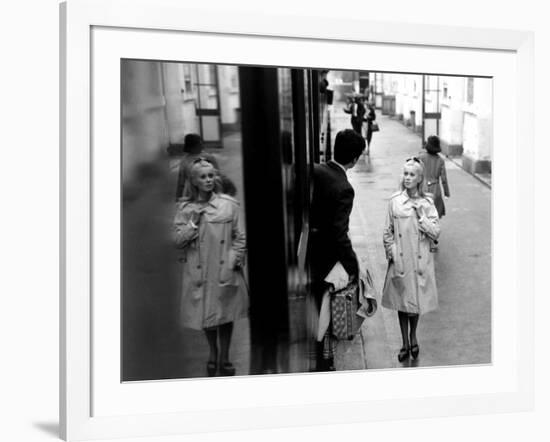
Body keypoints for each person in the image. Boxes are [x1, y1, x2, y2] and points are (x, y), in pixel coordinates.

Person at [173, 158, 247, 377]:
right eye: (203, 177)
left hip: (222, 267)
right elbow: (177, 241)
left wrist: (234, 260)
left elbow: (240, 236)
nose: (208, 180)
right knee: (206, 315)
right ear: (194, 181)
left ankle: (224, 356)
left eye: (211, 176)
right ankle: (212, 353)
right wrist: (192, 223)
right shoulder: (186, 209)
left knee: (226, 315)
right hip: (199, 270)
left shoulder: (228, 205)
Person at [307, 129, 371, 371]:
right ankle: (325, 359)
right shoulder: (344, 187)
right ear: (354, 159)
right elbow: (339, 234)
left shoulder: (316, 169)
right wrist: (353, 266)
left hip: (309, 253)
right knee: (327, 309)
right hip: (324, 259)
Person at [381, 158, 440, 363]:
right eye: (405, 173)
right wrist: (392, 252)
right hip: (401, 259)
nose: (407, 178)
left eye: (411, 174)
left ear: (420, 178)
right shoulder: (395, 201)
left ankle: (413, 335)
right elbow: (387, 232)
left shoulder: (427, 203)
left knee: (415, 304)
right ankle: (405, 342)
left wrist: (422, 218)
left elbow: (436, 232)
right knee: (402, 303)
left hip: (420, 260)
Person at [174, 133, 237, 200]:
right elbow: (181, 183)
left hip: (210, 193)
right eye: (199, 143)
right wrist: (178, 198)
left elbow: (218, 176)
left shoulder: (209, 157)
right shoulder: (185, 161)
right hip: (193, 194)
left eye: (201, 142)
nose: (202, 145)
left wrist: (222, 193)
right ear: (191, 146)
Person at [418, 135, 450, 252]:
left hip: (423, 189)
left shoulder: (420, 157)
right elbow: (444, 179)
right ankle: (433, 241)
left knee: (423, 215)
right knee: (434, 217)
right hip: (436, 190)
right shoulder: (440, 160)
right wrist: (446, 193)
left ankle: (426, 238)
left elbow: (416, 172)